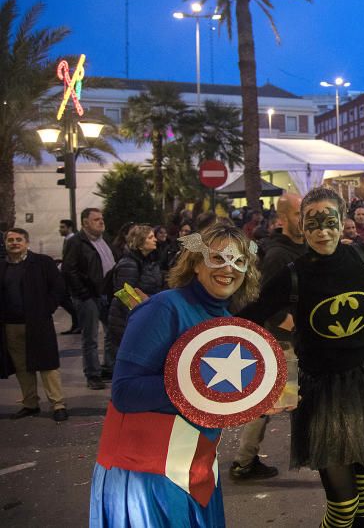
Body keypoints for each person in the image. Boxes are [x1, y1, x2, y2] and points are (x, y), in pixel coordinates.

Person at [238, 187, 364, 527]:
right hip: (322, 393)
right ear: (302, 227)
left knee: (363, 496)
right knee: (343, 509)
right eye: (312, 224)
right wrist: (201, 330)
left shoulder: (361, 257)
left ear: (342, 221)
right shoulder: (293, 273)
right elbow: (250, 314)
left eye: (329, 222)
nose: (322, 232)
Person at [90, 223, 262, 527]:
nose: (229, 268)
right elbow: (125, 392)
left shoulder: (227, 323)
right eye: (218, 258)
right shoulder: (164, 307)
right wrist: (197, 387)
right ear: (196, 263)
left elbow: (215, 402)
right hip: (147, 471)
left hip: (194, 465)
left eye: (238, 261)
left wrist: (255, 398)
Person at [230, 193, 306, 481]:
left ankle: (244, 460)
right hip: (285, 341)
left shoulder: (303, 248)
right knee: (273, 400)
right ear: (283, 219)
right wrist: (288, 323)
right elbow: (264, 301)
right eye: (300, 214)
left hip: (298, 339)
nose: (306, 220)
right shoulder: (278, 255)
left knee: (273, 400)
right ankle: (244, 461)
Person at [0, 228, 67, 421]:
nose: (14, 243)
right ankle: (30, 404)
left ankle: (58, 404)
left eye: (18, 239)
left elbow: (58, 288)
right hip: (11, 326)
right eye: (10, 240)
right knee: (22, 367)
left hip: (38, 323)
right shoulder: (2, 267)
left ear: (27, 242)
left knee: (48, 366)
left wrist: (47, 309)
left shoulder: (42, 263)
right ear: (5, 243)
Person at [62, 208, 119, 390]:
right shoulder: (77, 242)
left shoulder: (105, 239)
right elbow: (69, 269)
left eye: (102, 219)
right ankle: (92, 374)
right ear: (85, 222)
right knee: (91, 337)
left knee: (113, 330)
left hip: (107, 294)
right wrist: (83, 292)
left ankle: (109, 367)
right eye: (96, 219)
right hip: (89, 296)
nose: (101, 222)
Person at [106, 225, 164, 354]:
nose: (155, 240)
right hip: (126, 320)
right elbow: (125, 294)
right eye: (150, 237)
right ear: (140, 241)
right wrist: (141, 316)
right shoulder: (129, 263)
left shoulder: (149, 261)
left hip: (142, 316)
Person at [58, 219, 81, 335]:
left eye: (63, 227)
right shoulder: (67, 240)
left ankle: (78, 324)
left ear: (70, 228)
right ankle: (76, 324)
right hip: (66, 275)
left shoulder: (73, 240)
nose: (60, 230)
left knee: (66, 300)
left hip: (70, 276)